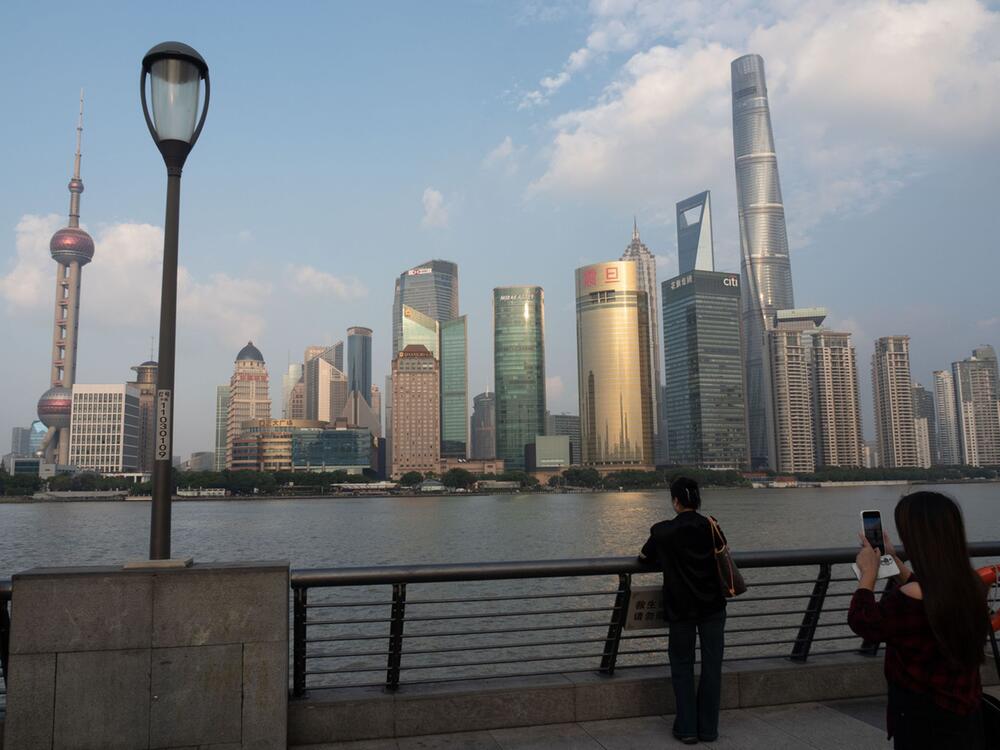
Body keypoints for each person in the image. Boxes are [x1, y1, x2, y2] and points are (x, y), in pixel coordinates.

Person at [848, 491, 988, 749]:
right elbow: (931, 593)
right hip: (964, 709)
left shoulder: (908, 599)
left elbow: (864, 622)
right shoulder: (973, 584)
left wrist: (868, 574)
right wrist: (895, 562)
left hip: (921, 718)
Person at [639, 476, 727, 744]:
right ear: (697, 500)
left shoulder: (662, 530)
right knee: (712, 666)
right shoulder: (711, 526)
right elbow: (723, 554)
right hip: (713, 605)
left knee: (682, 665)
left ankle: (687, 728)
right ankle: (709, 729)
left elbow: (644, 558)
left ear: (675, 501)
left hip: (680, 608)